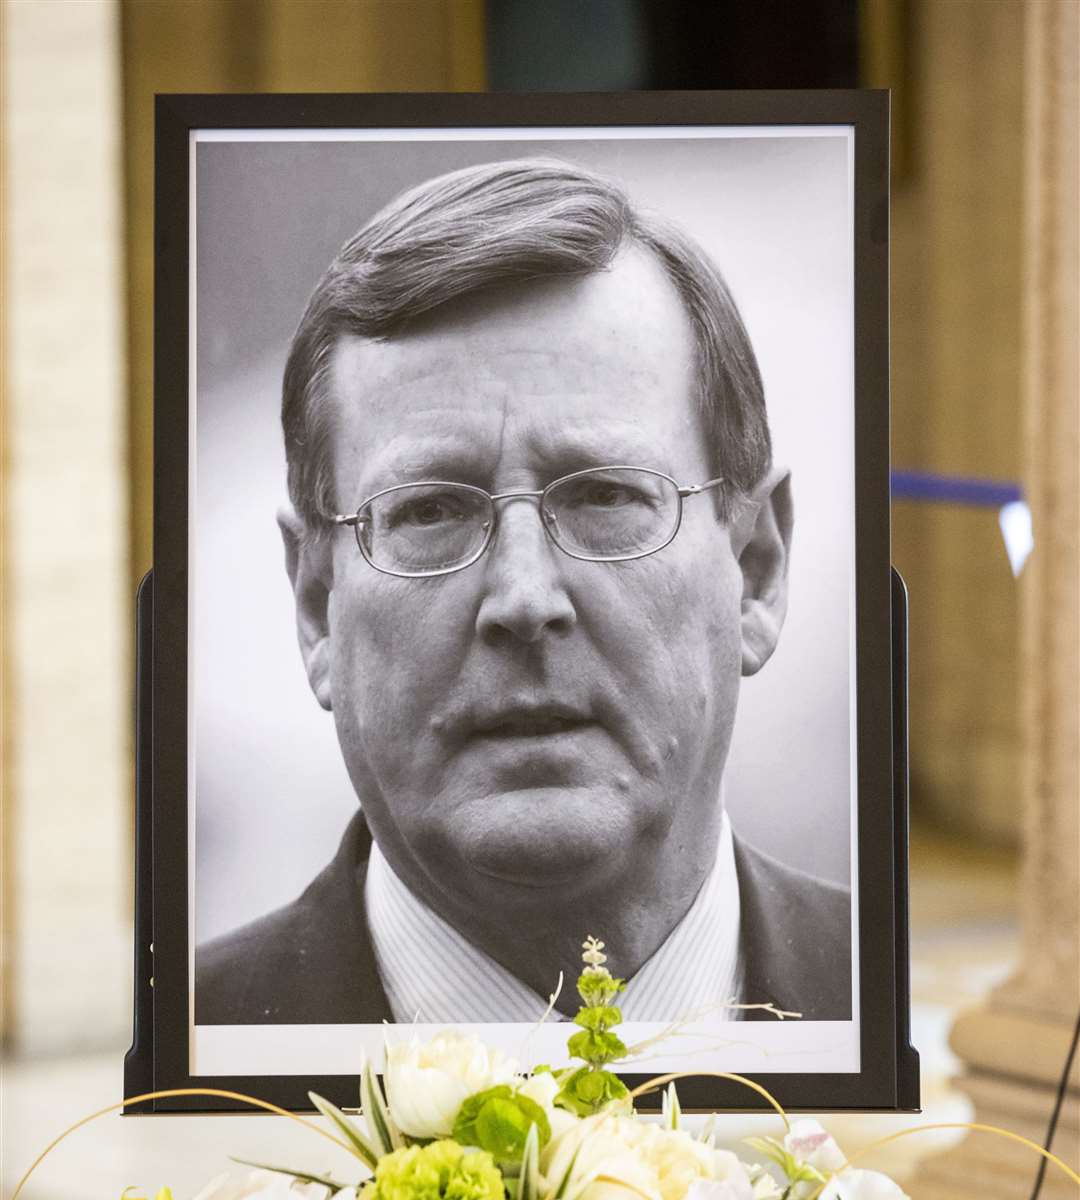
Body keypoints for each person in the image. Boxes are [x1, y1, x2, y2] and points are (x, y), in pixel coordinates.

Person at [197, 157, 850, 1027]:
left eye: (606, 496)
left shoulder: (905, 1013)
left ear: (756, 570)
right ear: (317, 605)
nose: (522, 599)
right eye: (429, 510)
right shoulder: (175, 1065)